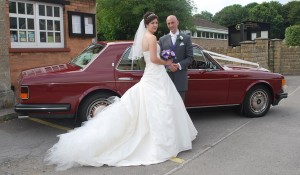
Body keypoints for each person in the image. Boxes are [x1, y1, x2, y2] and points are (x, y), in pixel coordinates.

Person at [44, 12, 197, 171]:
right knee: (160, 106)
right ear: (146, 24)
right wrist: (167, 61)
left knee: (158, 106)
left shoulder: (147, 36)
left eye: (157, 23)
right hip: (155, 75)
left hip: (154, 75)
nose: (155, 25)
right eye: (152, 23)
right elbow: (153, 59)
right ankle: (163, 140)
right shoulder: (151, 38)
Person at [159, 15, 194, 101]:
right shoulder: (162, 39)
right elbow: (160, 57)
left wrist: (178, 65)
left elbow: (190, 57)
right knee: (167, 105)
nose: (171, 25)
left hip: (180, 79)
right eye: (168, 23)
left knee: (180, 105)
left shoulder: (186, 38)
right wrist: (168, 65)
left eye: (172, 22)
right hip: (167, 78)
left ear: (177, 22)